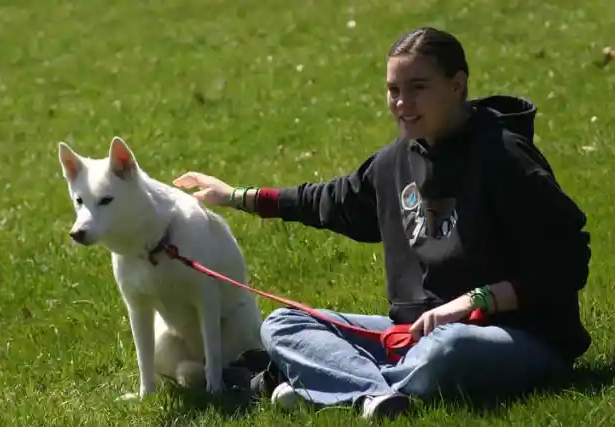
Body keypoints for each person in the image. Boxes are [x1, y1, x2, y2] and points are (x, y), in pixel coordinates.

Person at [172, 27, 592, 420]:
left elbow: (567, 262)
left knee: (448, 350)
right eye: (393, 90)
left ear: (456, 85)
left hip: (512, 335)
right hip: (409, 334)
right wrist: (235, 196)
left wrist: (471, 303)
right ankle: (374, 395)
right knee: (283, 323)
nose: (401, 103)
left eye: (417, 88)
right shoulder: (393, 163)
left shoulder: (506, 158)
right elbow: (328, 201)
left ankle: (326, 385)